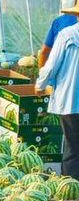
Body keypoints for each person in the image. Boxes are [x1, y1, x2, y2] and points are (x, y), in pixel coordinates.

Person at [36, 21, 79, 179]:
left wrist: (40, 85)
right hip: (71, 102)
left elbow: (51, 66)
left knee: (72, 149)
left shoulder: (67, 35)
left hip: (70, 102)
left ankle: (72, 193)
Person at [38, 0, 79, 68]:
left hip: (59, 75)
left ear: (74, 4)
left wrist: (42, 77)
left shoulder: (60, 22)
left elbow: (44, 51)